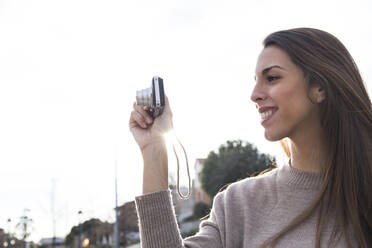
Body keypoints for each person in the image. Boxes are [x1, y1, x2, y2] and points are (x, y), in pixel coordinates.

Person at [129, 28, 372, 248]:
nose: (254, 95)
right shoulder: (237, 205)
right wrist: (153, 150)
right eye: (256, 81)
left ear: (319, 88)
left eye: (272, 78)